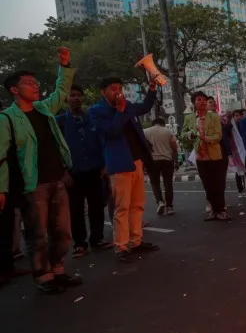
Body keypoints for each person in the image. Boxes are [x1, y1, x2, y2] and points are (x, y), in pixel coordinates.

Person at [0, 47, 83, 293]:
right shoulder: (6, 119)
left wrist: (65, 66)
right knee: (38, 235)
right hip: (32, 184)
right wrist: (1, 189)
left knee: (63, 231)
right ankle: (43, 276)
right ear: (14, 90)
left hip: (57, 179)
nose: (35, 86)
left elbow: (62, 91)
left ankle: (58, 269)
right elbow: (1, 157)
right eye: (28, 83)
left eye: (35, 82)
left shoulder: (45, 108)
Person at [90, 77, 160, 261]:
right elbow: (111, 132)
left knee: (137, 204)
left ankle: (136, 240)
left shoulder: (127, 105)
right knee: (122, 206)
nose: (118, 92)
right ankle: (121, 245)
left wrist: (152, 89)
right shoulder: (97, 111)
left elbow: (144, 107)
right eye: (113, 89)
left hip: (136, 161)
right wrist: (120, 111)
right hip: (119, 163)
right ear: (103, 91)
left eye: (120, 88)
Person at [57, 84, 113, 259]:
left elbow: (102, 141)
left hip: (95, 170)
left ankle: (97, 239)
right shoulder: (60, 121)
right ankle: (80, 243)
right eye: (72, 95)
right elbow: (56, 148)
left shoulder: (91, 117)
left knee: (97, 206)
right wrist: (63, 172)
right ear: (66, 99)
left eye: (79, 95)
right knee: (76, 209)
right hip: (73, 173)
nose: (76, 98)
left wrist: (105, 164)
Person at [182, 92, 230, 221]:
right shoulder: (189, 118)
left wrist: (206, 138)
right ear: (194, 103)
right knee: (207, 185)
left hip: (215, 155)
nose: (202, 102)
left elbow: (218, 136)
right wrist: (189, 135)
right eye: (199, 100)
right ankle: (214, 210)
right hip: (200, 157)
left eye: (204, 100)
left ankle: (221, 210)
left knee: (218, 184)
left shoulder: (214, 117)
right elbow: (182, 135)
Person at [144, 117, 177, 216]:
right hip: (167, 160)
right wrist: (176, 160)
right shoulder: (168, 131)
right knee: (168, 184)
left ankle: (160, 202)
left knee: (155, 183)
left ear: (153, 123)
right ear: (163, 124)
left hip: (152, 161)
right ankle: (170, 207)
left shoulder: (145, 131)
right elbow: (174, 146)